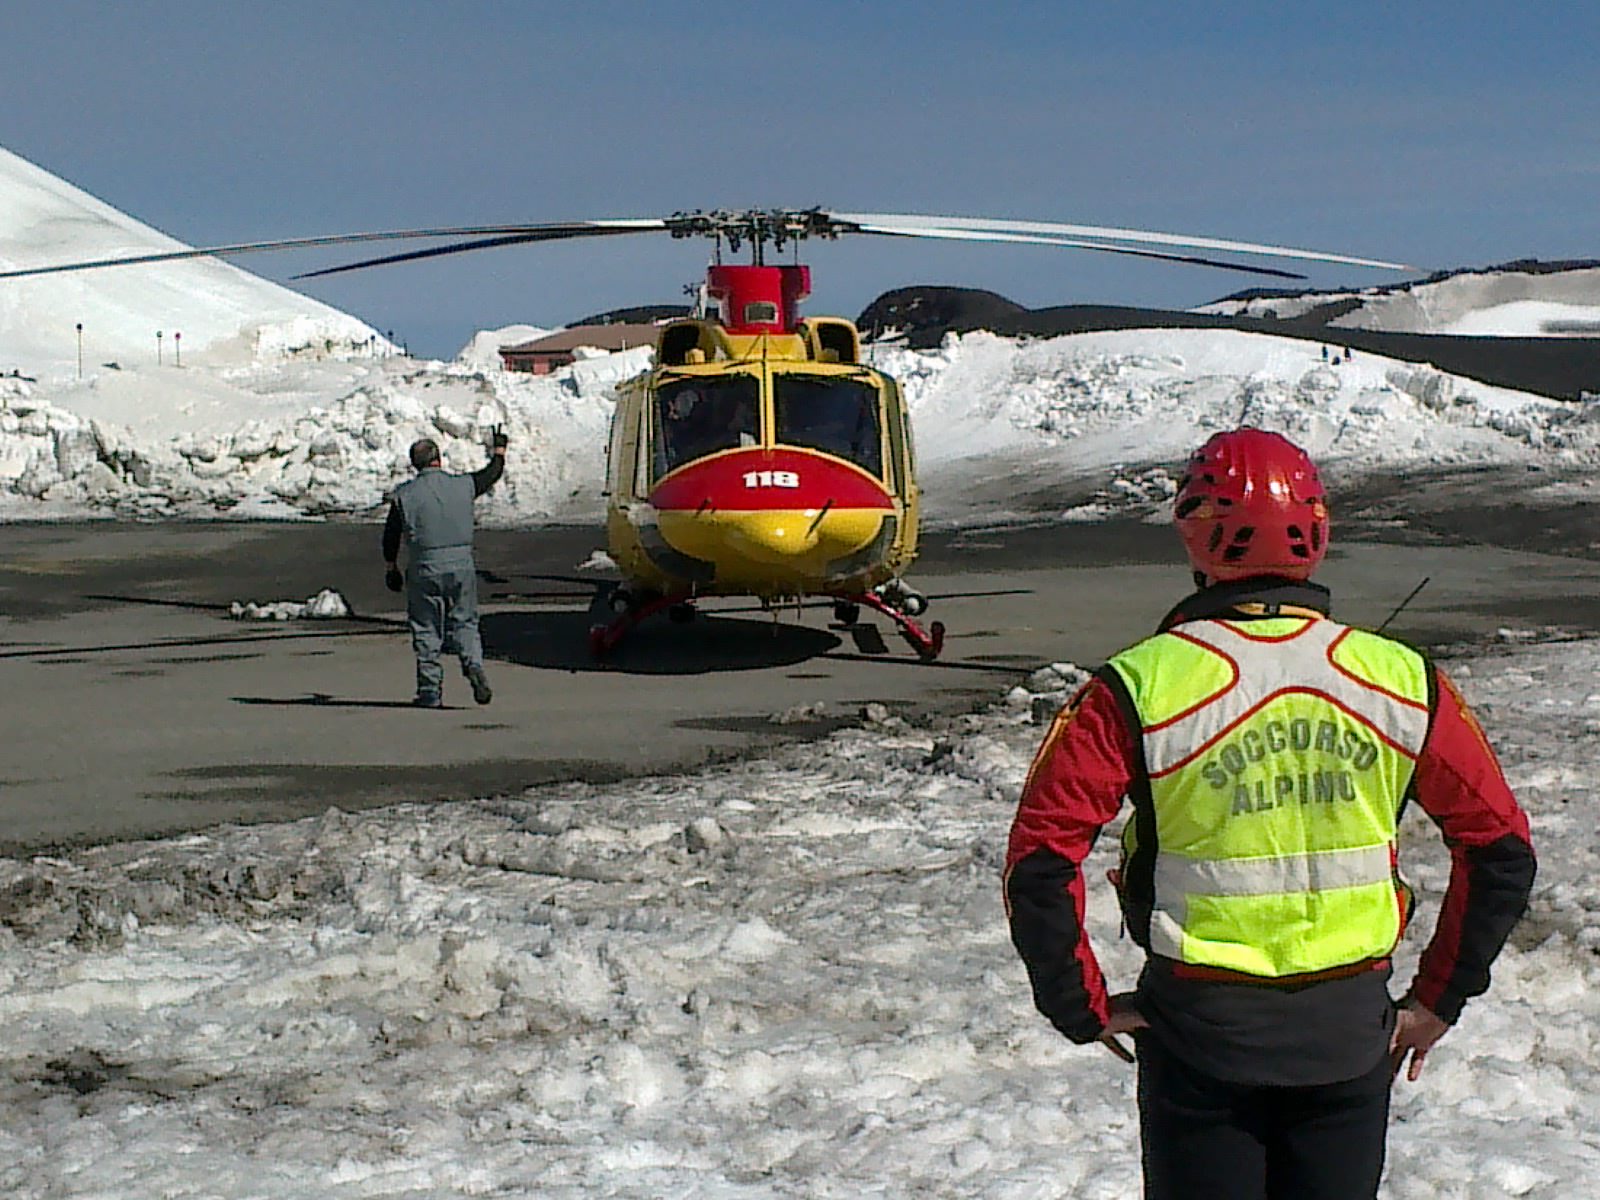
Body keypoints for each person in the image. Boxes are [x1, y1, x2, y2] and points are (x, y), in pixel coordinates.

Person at [1004, 427, 1535, 1199]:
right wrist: (1437, 999)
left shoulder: (1135, 686)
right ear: (1316, 536)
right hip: (1351, 1041)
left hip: (1198, 1042)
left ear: (1194, 533)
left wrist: (1078, 1004)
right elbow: (1502, 850)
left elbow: (1041, 861)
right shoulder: (1402, 681)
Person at [382, 428, 508, 707]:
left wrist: (391, 566)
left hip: (424, 566)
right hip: (461, 565)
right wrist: (499, 450)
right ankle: (473, 664)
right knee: (464, 621)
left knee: (426, 628)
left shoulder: (405, 495)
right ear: (439, 459)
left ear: (415, 465)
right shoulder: (463, 485)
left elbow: (391, 534)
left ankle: (430, 691)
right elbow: (490, 474)